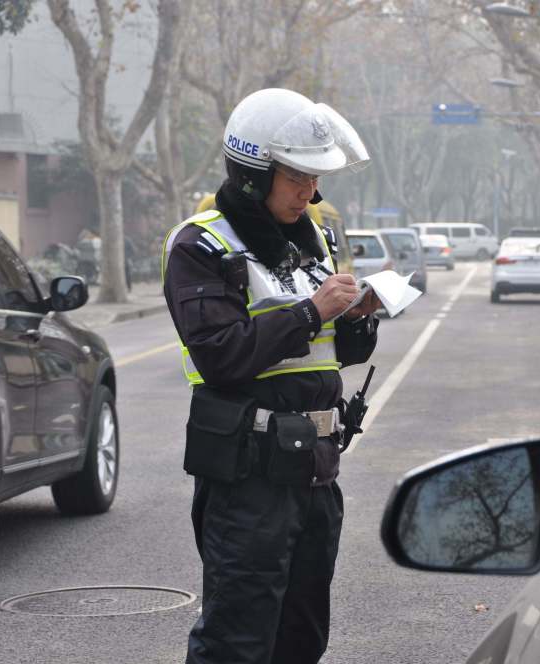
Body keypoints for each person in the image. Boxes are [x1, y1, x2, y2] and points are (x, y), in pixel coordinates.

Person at [161, 88, 380, 664]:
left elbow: (330, 355)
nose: (310, 193)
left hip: (315, 471)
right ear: (255, 175)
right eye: (297, 178)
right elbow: (221, 355)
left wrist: (359, 319)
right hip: (248, 477)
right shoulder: (201, 245)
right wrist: (312, 312)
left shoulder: (313, 242)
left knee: (302, 637)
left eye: (315, 179)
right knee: (237, 641)